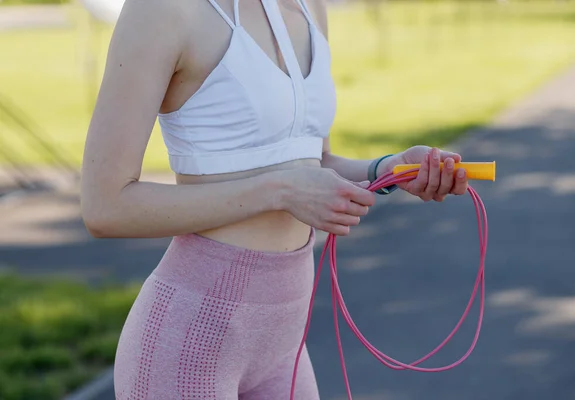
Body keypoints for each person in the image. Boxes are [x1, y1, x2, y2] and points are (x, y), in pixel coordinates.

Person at [80, 0, 469, 398]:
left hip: (283, 347)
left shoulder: (307, 7)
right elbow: (106, 207)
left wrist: (389, 169)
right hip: (190, 342)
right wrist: (280, 190)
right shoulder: (164, 10)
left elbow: (310, 159)